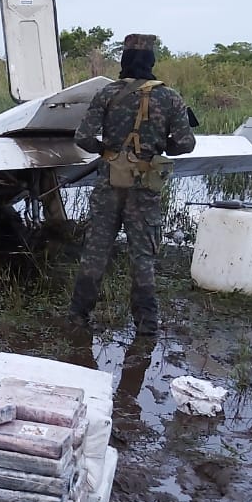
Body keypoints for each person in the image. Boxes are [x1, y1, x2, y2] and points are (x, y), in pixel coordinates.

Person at [67, 33, 196, 337]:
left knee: (96, 251)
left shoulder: (107, 93)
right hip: (145, 187)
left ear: (124, 61)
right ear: (151, 61)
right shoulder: (170, 97)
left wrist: (107, 151)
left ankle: (78, 315)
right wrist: (157, 146)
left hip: (109, 182)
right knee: (143, 255)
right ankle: (147, 325)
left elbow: (83, 138)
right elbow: (186, 144)